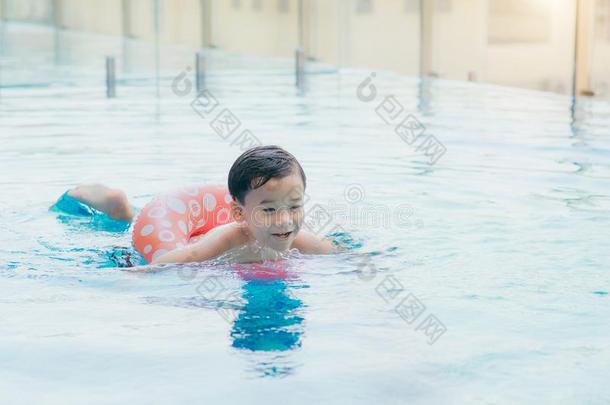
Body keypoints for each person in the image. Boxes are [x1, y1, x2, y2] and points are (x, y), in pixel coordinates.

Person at [60, 145, 336, 264]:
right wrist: (135, 274)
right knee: (122, 224)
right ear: (239, 213)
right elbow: (180, 260)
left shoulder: (299, 238)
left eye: (294, 206)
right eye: (269, 210)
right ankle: (114, 204)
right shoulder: (230, 237)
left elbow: (342, 256)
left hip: (196, 227)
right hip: (175, 234)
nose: (285, 220)